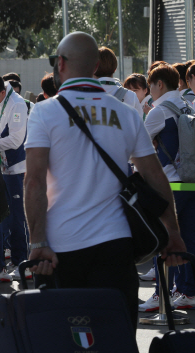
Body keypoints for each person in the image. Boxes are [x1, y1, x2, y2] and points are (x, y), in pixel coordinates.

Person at [26, 32, 186, 332]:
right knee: (116, 334)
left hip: (63, 245)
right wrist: (173, 233)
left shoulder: (45, 113)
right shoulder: (126, 114)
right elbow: (155, 176)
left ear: (60, 64)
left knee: (68, 338)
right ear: (96, 65)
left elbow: (34, 183)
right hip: (116, 243)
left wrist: (37, 243)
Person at [139, 62, 195, 312]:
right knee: (188, 241)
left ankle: (160, 295)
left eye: (150, 85)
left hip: (170, 184)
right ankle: (187, 292)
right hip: (191, 181)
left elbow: (136, 145)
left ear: (159, 84)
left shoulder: (159, 111)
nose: (150, 90)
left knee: (162, 239)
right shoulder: (187, 104)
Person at [0, 73, 29, 283]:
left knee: (19, 218)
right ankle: (13, 259)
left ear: (2, 93)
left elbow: (16, 140)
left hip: (18, 167)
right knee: (5, 217)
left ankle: (23, 263)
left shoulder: (18, 105)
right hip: (2, 167)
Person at [94, 47, 144, 119]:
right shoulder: (130, 96)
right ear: (115, 69)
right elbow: (140, 125)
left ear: (93, 68)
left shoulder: (83, 94)